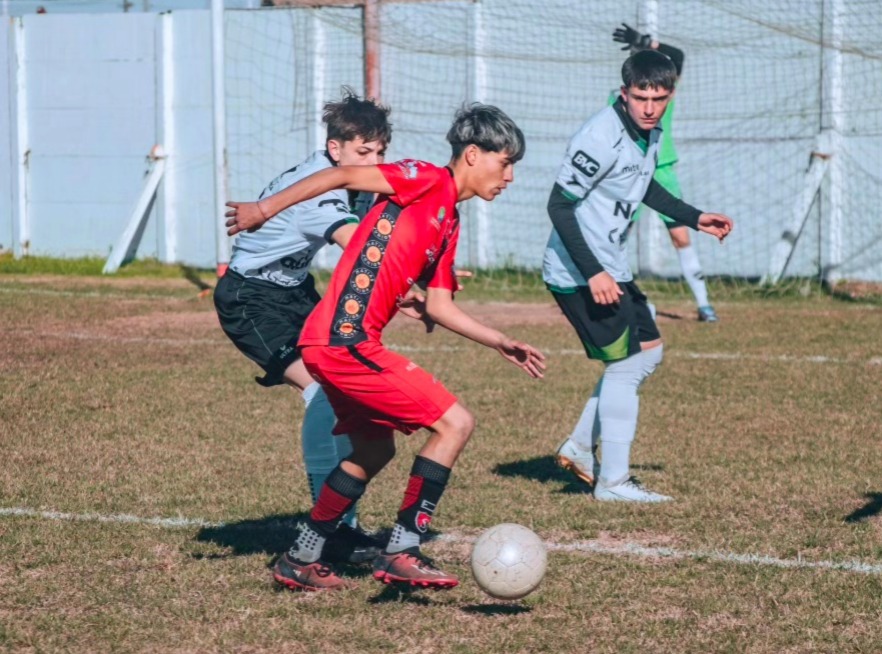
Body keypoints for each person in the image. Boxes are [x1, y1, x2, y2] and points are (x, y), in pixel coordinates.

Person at [225, 104, 545, 591]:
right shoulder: (424, 178)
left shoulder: (449, 221)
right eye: (505, 163)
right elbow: (342, 175)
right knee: (456, 423)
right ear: (474, 155)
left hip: (335, 341)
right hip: (341, 340)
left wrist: (500, 340)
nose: (511, 177)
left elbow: (439, 306)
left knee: (375, 449)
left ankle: (300, 556)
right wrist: (263, 210)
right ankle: (402, 549)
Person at [213, 89, 391, 564]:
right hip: (252, 297)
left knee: (344, 387)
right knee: (323, 391)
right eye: (362, 152)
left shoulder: (354, 180)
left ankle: (338, 526)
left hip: (295, 291)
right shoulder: (322, 189)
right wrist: (413, 278)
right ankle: (328, 525)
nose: (372, 161)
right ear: (336, 149)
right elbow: (356, 245)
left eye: (379, 152)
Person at [546, 50, 732, 502]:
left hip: (611, 265)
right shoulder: (598, 137)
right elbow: (559, 205)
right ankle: (612, 482)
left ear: (670, 95)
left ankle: (578, 446)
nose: (650, 107)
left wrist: (694, 216)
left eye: (660, 98)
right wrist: (592, 273)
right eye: (641, 97)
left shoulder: (647, 131)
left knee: (647, 352)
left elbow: (641, 184)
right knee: (627, 365)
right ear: (624, 92)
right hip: (578, 271)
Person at [611, 23, 719, 323]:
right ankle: (623, 301)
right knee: (617, 238)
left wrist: (648, 42)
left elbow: (678, 57)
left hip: (663, 172)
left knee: (681, 238)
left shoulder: (663, 95)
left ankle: (704, 304)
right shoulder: (618, 99)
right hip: (629, 176)